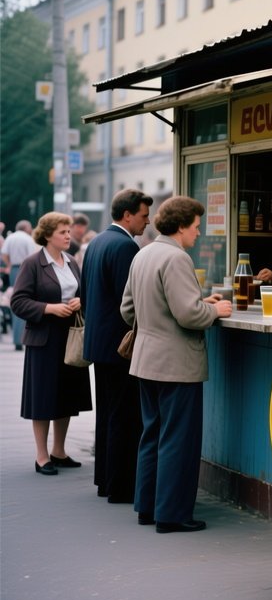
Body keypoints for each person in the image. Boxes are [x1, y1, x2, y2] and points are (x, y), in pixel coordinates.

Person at [121, 196, 232, 532]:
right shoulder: (177, 258)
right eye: (196, 226)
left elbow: (128, 310)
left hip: (146, 360)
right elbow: (188, 315)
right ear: (182, 226)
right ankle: (172, 515)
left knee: (152, 434)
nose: (199, 233)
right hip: (177, 364)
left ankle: (147, 507)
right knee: (177, 439)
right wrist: (214, 310)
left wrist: (196, 303)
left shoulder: (144, 253)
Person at [81, 189, 153, 503]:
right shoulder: (126, 246)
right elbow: (132, 301)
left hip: (99, 342)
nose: (147, 222)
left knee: (108, 413)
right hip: (120, 345)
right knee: (124, 415)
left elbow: (84, 295)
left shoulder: (96, 242)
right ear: (127, 215)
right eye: (143, 215)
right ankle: (120, 487)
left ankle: (105, 481)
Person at [10, 213, 92, 475]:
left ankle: (59, 450)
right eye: (62, 232)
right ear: (47, 235)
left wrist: (81, 300)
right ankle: (42, 456)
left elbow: (81, 293)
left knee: (66, 393)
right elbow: (18, 301)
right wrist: (49, 308)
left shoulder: (71, 262)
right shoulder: (33, 263)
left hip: (70, 336)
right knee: (43, 396)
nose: (69, 235)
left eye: (69, 231)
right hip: (44, 339)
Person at [1, 220, 39, 351]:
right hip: (26, 269)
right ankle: (21, 338)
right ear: (26, 228)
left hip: (14, 270)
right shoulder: (28, 239)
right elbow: (32, 256)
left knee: (15, 301)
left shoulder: (10, 237)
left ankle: (16, 338)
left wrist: (9, 265)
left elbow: (4, 254)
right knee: (25, 301)